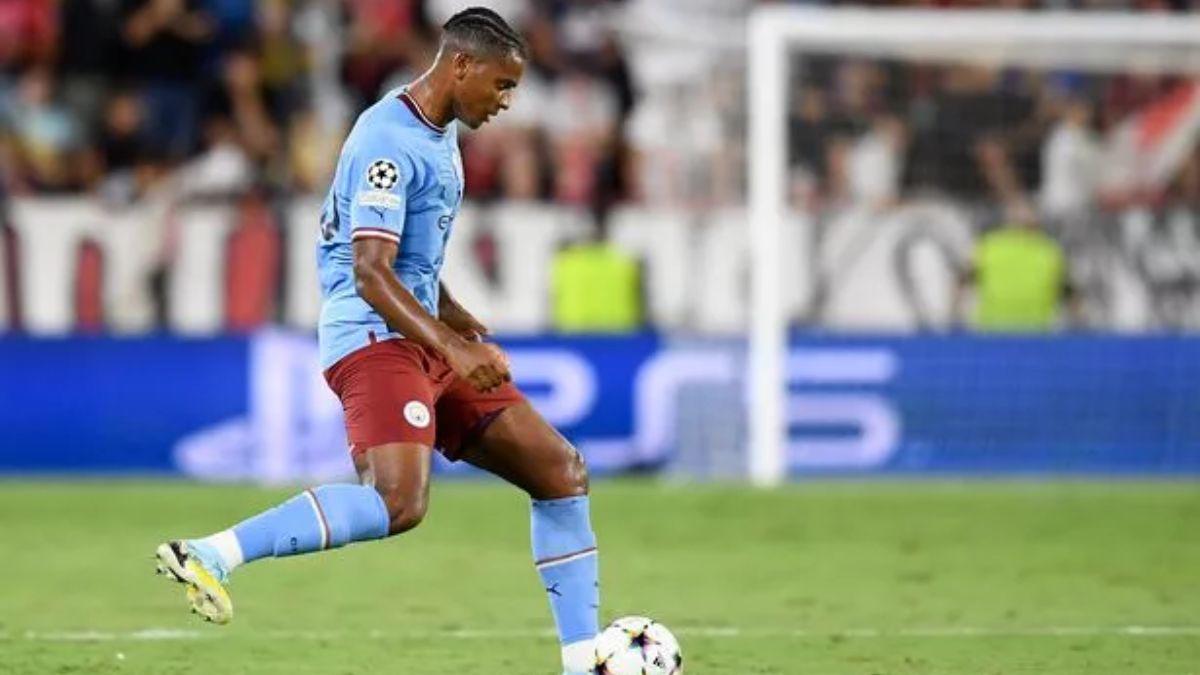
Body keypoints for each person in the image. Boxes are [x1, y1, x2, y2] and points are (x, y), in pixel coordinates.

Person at [154, 9, 600, 674]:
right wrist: (455, 348)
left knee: (560, 472)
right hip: (373, 339)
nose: (507, 101)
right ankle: (212, 553)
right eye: (503, 85)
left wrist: (456, 317)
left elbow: (411, 260)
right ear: (461, 66)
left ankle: (585, 662)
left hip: (420, 334)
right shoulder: (388, 143)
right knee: (397, 500)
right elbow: (370, 271)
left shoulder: (439, 133)